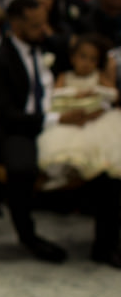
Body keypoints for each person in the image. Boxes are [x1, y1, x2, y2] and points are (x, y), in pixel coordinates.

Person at [0, 0, 121, 266]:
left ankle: (106, 244)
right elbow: (2, 113)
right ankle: (28, 236)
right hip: (21, 127)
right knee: (21, 166)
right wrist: (56, 118)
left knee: (108, 163)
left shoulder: (51, 46)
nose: (42, 30)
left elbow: (89, 52)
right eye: (34, 25)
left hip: (69, 119)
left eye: (43, 23)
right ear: (16, 24)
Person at [37, 34, 121, 187]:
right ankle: (63, 177)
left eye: (93, 59)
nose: (87, 63)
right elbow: (55, 95)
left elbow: (113, 94)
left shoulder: (98, 76)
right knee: (63, 147)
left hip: (95, 121)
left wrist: (97, 91)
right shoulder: (65, 76)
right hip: (70, 120)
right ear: (73, 58)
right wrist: (75, 93)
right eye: (83, 57)